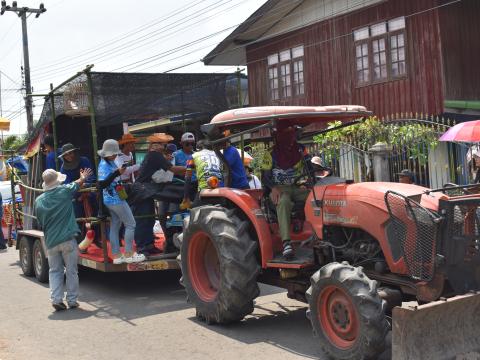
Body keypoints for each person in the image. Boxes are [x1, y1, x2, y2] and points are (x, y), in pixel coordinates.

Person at [34, 167, 92, 311]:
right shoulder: (64, 191)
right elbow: (77, 183)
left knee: (54, 271)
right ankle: (72, 300)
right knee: (72, 271)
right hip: (67, 238)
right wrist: (83, 176)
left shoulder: (38, 200)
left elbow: (40, 222)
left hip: (51, 240)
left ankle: (56, 299)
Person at [261, 124, 310, 259]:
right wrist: (273, 188)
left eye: (291, 134)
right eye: (286, 135)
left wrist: (308, 183)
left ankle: (318, 235)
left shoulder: (301, 149)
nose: (289, 138)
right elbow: (264, 177)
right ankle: (286, 243)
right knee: (283, 201)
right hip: (279, 189)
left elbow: (309, 167)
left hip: (297, 187)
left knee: (316, 196)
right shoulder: (270, 153)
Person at [133, 133, 185, 257]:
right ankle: (142, 247)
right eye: (163, 144)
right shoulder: (155, 155)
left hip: (146, 190)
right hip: (142, 191)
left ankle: (149, 245)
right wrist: (190, 168)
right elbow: (172, 169)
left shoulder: (153, 155)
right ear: (156, 145)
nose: (164, 146)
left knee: (150, 219)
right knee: (143, 219)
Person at [98, 139, 145, 264]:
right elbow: (102, 184)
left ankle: (117, 256)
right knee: (131, 224)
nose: (115, 156)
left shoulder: (107, 162)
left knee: (115, 225)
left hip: (111, 199)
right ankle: (129, 253)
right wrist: (117, 173)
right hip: (115, 199)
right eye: (113, 154)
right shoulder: (104, 165)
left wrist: (117, 172)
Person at [181, 140, 223, 209]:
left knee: (194, 211)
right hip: (219, 189)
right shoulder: (218, 155)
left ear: (197, 149)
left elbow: (188, 178)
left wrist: (185, 197)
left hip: (204, 189)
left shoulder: (193, 156)